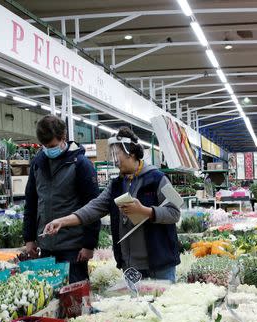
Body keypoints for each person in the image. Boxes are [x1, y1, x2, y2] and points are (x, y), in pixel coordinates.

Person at [43, 127, 181, 282]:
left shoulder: (159, 179)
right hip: (131, 267)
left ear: (132, 153)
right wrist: (62, 221)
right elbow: (94, 208)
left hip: (160, 265)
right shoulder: (116, 185)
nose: (115, 160)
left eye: (117, 155)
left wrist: (145, 211)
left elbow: (175, 212)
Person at [22, 115, 101, 283]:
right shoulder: (37, 165)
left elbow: (93, 207)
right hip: (46, 247)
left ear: (63, 138)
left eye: (52, 146)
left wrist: (89, 244)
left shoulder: (80, 164)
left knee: (74, 300)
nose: (49, 150)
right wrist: (29, 239)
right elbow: (31, 204)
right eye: (44, 146)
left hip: (74, 249)